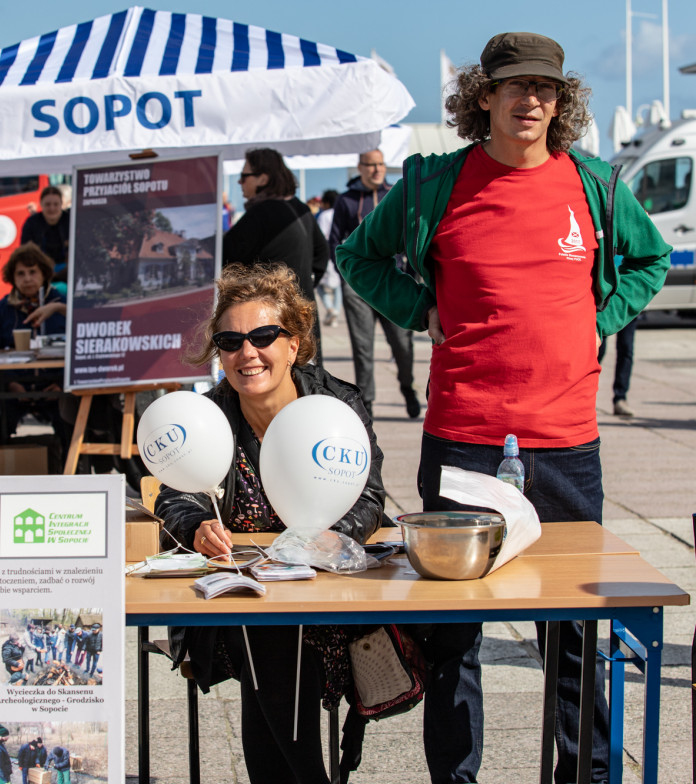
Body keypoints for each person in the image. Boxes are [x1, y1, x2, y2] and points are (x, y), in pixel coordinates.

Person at [335, 32, 670, 784]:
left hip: (566, 443)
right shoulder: (432, 183)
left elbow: (649, 260)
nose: (532, 102)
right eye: (515, 87)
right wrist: (419, 310)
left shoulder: (596, 185)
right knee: (457, 637)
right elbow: (357, 256)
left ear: (562, 99)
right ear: (482, 96)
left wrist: (603, 316)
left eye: (545, 89)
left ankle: (580, 774)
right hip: (464, 439)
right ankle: (456, 778)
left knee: (577, 632)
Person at [155, 263, 387, 784]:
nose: (246, 353)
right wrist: (197, 526)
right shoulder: (206, 418)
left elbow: (369, 497)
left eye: (262, 336)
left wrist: (329, 539)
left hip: (329, 599)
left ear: (294, 343)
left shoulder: (337, 405)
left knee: (276, 637)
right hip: (243, 608)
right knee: (263, 630)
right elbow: (175, 496)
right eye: (230, 340)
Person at [329, 149, 420, 420]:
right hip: (358, 287)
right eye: (371, 165)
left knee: (402, 344)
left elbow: (414, 234)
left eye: (381, 164)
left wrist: (412, 274)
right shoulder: (346, 201)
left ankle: (407, 387)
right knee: (363, 347)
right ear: (360, 167)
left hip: (394, 282)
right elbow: (334, 242)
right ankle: (366, 402)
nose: (377, 169)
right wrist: (347, 276)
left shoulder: (397, 193)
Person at [223, 149, 329, 326]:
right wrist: (303, 285)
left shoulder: (261, 213)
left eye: (244, 176)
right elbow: (322, 253)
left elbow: (225, 256)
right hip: (303, 310)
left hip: (272, 315)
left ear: (263, 179)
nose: (239, 182)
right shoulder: (300, 208)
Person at [0, 244, 69, 444]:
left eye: (32, 272)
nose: (27, 278)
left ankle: (69, 470)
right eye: (21, 273)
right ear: (12, 277)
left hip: (55, 386)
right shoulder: (4, 307)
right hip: (14, 388)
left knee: (68, 423)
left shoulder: (60, 303)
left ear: (44, 273)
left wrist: (61, 383)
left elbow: (78, 349)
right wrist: (11, 383)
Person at [20, 184, 71, 283]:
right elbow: (25, 251)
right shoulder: (31, 223)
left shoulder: (70, 220)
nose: (52, 208)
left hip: (66, 272)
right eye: (48, 204)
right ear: (41, 205)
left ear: (61, 204)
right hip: (40, 271)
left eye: (56, 204)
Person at [598, 317, 639, 417]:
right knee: (599, 348)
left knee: (626, 349)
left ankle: (620, 398)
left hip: (627, 306)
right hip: (604, 308)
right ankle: (584, 391)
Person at [314, 190, 341, 328]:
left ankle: (330, 308)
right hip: (340, 252)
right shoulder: (340, 213)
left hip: (327, 254)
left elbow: (321, 236)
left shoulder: (324, 215)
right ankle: (335, 310)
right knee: (339, 286)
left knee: (319, 285)